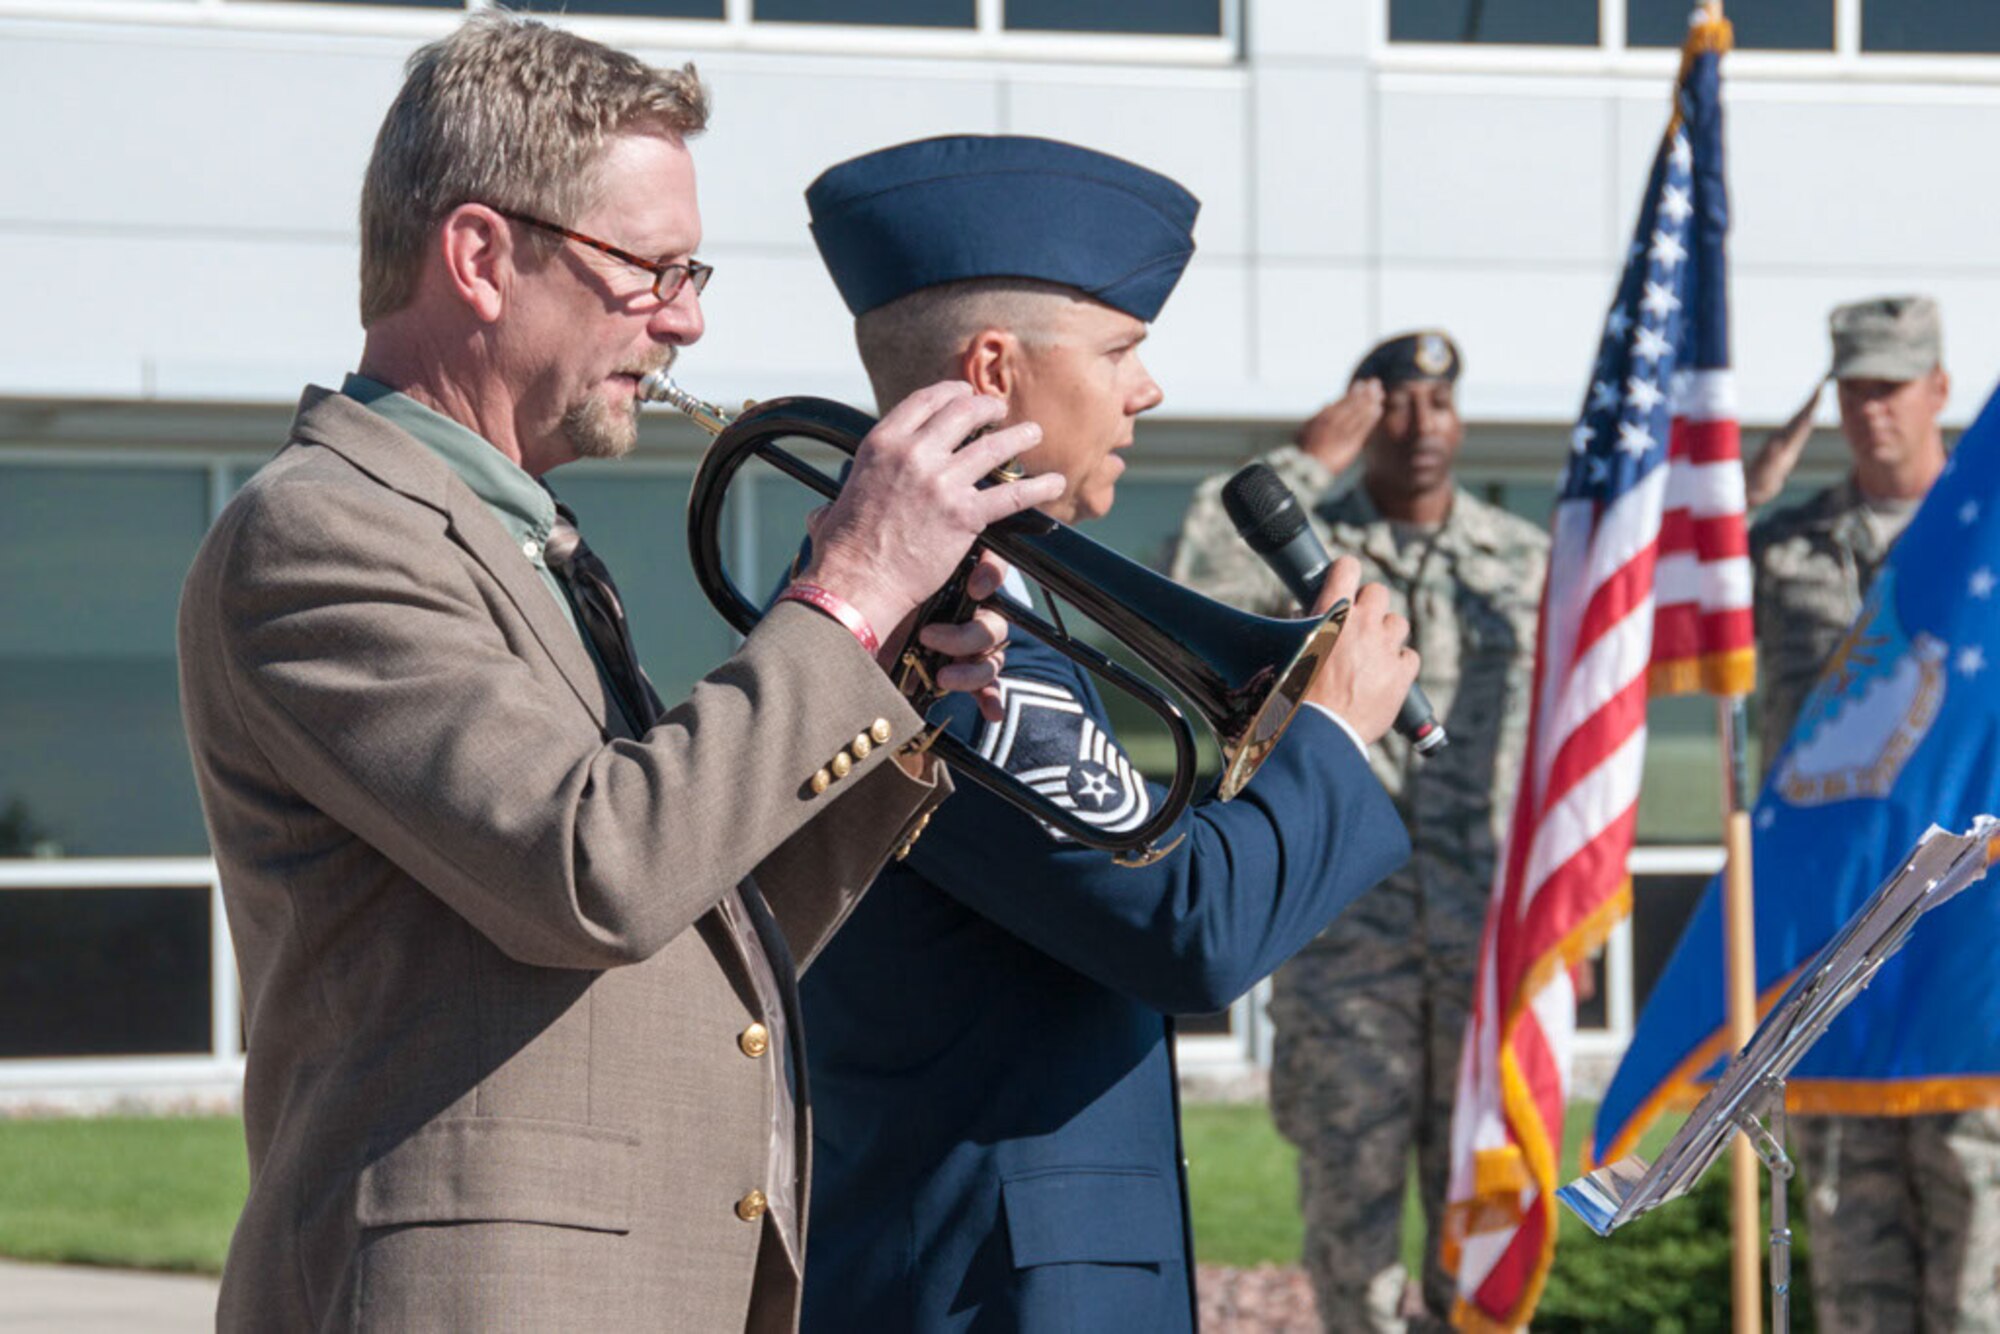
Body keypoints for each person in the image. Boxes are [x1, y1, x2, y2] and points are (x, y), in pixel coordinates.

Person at [176, 17, 1065, 1332]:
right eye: (649, 270)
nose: (688, 319)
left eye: (688, 271)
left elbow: (696, 919)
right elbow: (595, 873)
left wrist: (887, 677)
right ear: (480, 256)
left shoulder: (516, 535)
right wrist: (847, 587)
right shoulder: (320, 528)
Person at [794, 134, 1421, 1333]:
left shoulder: (994, 606)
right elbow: (1183, 921)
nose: (1147, 389)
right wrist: (1332, 731)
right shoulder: (942, 633)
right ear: (994, 368)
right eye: (1121, 349)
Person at [1170, 332, 1548, 1332]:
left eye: (1439, 402)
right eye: (1397, 403)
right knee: (1354, 1240)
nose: (1421, 424)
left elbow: (1578, 737)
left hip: (1485, 948)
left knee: (1480, 1233)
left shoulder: (1524, 561)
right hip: (1346, 953)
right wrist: (1303, 465)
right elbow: (1188, 573)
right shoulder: (1304, 558)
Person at [1748, 294, 2000, 1334]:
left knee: (1975, 1260)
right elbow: (1665, 587)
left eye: (1891, 386)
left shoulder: (1986, 547)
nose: (1871, 411)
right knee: (1854, 1265)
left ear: (1939, 389)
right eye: (1852, 388)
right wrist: (1739, 485)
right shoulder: (1781, 549)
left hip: (1966, 952)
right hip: (1834, 947)